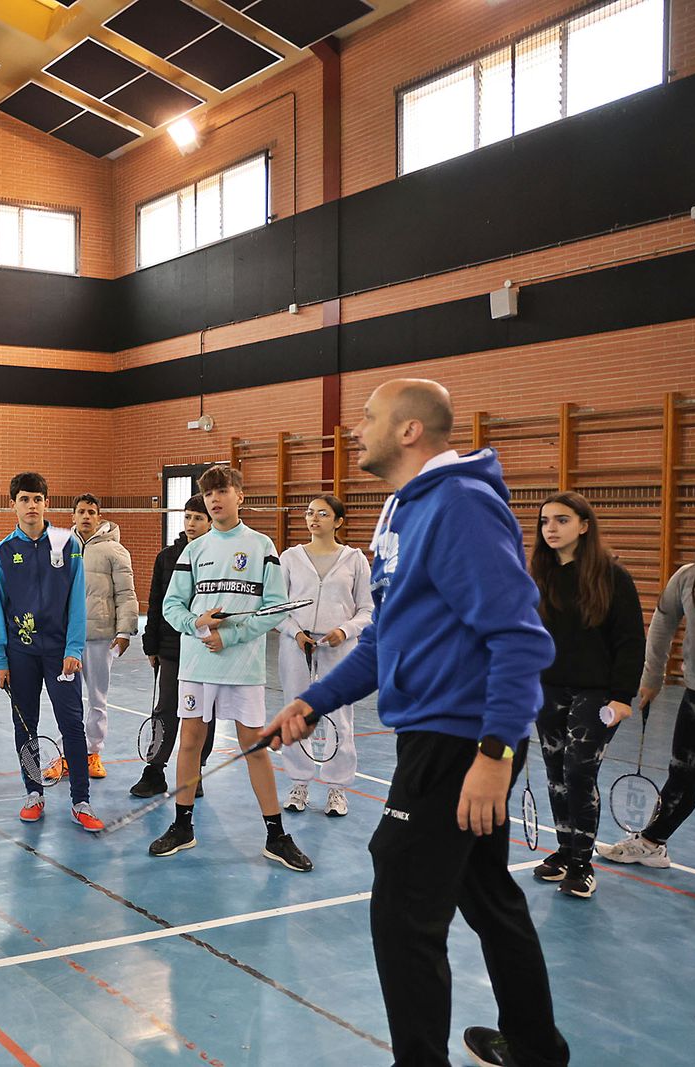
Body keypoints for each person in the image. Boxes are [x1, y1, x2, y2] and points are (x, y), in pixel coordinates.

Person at [265, 379, 569, 1067]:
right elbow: (384, 640)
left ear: (409, 430)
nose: (355, 430)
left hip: (458, 739)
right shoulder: (402, 510)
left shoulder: (458, 504)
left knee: (402, 905)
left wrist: (494, 752)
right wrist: (314, 700)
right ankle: (536, 1046)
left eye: (368, 417)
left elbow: (520, 637)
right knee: (486, 893)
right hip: (441, 734)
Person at [150, 466, 311, 872]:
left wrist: (231, 637)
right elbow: (172, 607)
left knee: (253, 747)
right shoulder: (194, 550)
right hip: (198, 663)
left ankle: (276, 836)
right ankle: (182, 826)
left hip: (242, 667)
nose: (214, 499)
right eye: (208, 494)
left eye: (222, 491)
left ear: (240, 495)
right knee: (189, 743)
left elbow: (273, 609)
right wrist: (197, 623)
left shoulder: (261, 546)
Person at [528, 492, 644, 899]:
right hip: (548, 688)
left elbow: (631, 641)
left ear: (584, 525)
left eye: (561, 520)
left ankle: (582, 863)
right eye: (545, 522)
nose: (551, 529)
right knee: (556, 773)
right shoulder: (538, 576)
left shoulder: (613, 577)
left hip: (596, 694)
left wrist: (622, 696)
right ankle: (564, 850)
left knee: (579, 771)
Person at [0, 472, 101, 831]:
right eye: (24, 499)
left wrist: (74, 648)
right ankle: (33, 793)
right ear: (13, 505)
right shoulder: (3, 551)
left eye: (37, 499)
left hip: (60, 653)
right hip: (20, 655)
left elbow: (76, 602)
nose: (31, 505)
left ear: (46, 503)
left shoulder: (67, 544)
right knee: (26, 726)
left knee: (72, 726)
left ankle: (81, 801)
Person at [597, 549, 695, 868]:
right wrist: (652, 677)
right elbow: (663, 622)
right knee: (683, 771)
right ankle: (653, 842)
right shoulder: (688, 577)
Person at [277, 495, 373, 818]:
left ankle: (336, 788)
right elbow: (277, 608)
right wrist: (295, 632)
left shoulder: (355, 560)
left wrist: (344, 631)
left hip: (340, 648)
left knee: (339, 716)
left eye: (322, 513)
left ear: (338, 521)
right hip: (297, 647)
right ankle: (299, 783)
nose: (313, 518)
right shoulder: (289, 558)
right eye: (309, 513)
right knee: (296, 713)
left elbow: (368, 610)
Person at [132, 494, 216, 798]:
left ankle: (196, 771)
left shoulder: (216, 557)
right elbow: (155, 602)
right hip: (171, 649)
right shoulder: (167, 556)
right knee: (165, 708)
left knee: (204, 713)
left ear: (210, 522)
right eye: (187, 517)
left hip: (206, 649)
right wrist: (150, 644)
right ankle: (155, 770)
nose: (191, 523)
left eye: (198, 518)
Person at [59, 494, 137, 783]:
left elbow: (126, 594)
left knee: (97, 699)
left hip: (100, 637)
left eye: (91, 512)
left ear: (99, 516)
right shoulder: (59, 548)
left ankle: (93, 753)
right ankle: (68, 755)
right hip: (66, 640)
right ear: (73, 516)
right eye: (81, 511)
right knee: (66, 700)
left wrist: (124, 630)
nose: (86, 516)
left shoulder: (115, 551)